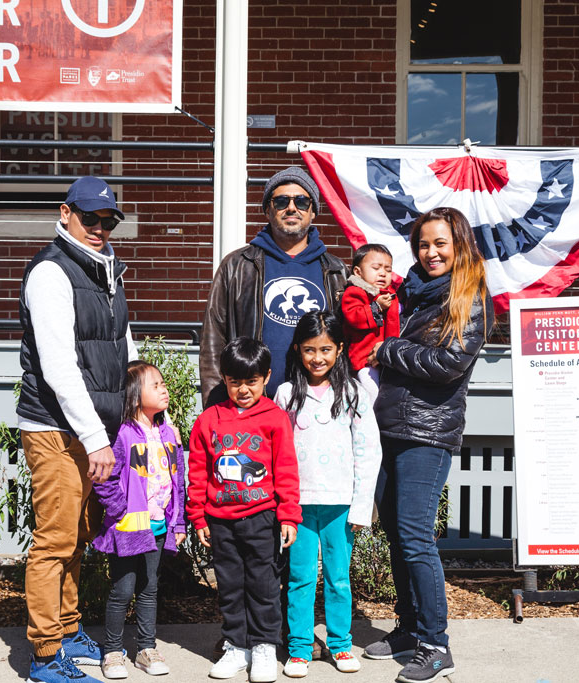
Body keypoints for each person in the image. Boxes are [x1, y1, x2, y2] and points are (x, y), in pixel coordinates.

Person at [363, 207, 492, 683]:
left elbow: (450, 363)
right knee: (397, 535)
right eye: (423, 244)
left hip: (428, 433)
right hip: (388, 426)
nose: (431, 252)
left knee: (416, 537)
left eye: (440, 243)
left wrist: (389, 350)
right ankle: (410, 627)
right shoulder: (407, 292)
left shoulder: (470, 295)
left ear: (459, 244)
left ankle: (437, 645)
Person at [17, 176, 137, 683]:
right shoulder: (51, 273)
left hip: (95, 428)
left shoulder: (106, 270)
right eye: (91, 218)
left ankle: (67, 631)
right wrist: (94, 438)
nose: (100, 228)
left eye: (109, 221)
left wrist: (138, 414)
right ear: (65, 213)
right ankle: (45, 655)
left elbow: (122, 347)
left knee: (78, 537)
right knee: (53, 542)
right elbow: (59, 367)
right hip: (54, 428)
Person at [273, 312, 382, 678]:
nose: (317, 357)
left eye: (325, 349)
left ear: (339, 350)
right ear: (297, 350)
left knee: (338, 578)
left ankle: (340, 644)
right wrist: (281, 503)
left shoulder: (353, 393)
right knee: (300, 578)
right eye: (309, 350)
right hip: (299, 505)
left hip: (340, 503)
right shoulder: (286, 394)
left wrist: (362, 504)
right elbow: (278, 451)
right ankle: (300, 648)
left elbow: (369, 449)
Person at [186, 337, 301, 683]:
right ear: (224, 378)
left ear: (266, 378)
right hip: (221, 521)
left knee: (264, 585)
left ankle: (265, 645)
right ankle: (237, 646)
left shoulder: (275, 418)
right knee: (231, 586)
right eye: (235, 382)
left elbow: (286, 469)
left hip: (262, 517)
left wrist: (288, 515)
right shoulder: (209, 420)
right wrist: (198, 515)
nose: (243, 389)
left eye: (251, 381)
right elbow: (197, 470)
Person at [200, 166, 347, 406]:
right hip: (251, 407)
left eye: (301, 201)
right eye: (281, 201)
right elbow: (213, 338)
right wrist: (216, 405)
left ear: (313, 212)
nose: (292, 207)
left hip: (317, 406)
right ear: (268, 210)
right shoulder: (238, 265)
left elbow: (347, 340)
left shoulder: (336, 270)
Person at [92, 361, 187, 680]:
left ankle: (146, 648)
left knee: (149, 588)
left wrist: (178, 523)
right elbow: (104, 478)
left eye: (163, 384)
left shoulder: (168, 432)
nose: (164, 389)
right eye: (155, 385)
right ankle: (113, 652)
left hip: (160, 526)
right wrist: (119, 509)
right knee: (123, 590)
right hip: (129, 528)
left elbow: (179, 479)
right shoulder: (122, 434)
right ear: (134, 395)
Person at [340, 244, 400, 401]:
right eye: (376, 268)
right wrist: (376, 307)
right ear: (358, 272)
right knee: (372, 393)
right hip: (364, 359)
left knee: (387, 393)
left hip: (388, 357)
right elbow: (354, 317)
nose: (383, 273)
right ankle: (369, 422)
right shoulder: (355, 292)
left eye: (388, 269)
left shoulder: (391, 294)